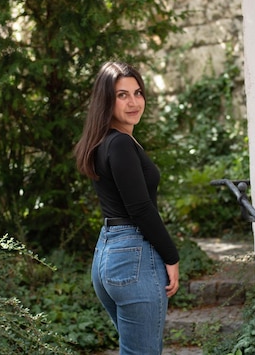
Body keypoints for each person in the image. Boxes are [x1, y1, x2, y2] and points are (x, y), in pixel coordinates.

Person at [74, 61, 180, 354]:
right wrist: (171, 256)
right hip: (133, 257)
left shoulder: (103, 141)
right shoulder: (119, 143)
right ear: (107, 100)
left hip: (108, 254)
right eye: (122, 95)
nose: (134, 102)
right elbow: (140, 208)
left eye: (137, 92)